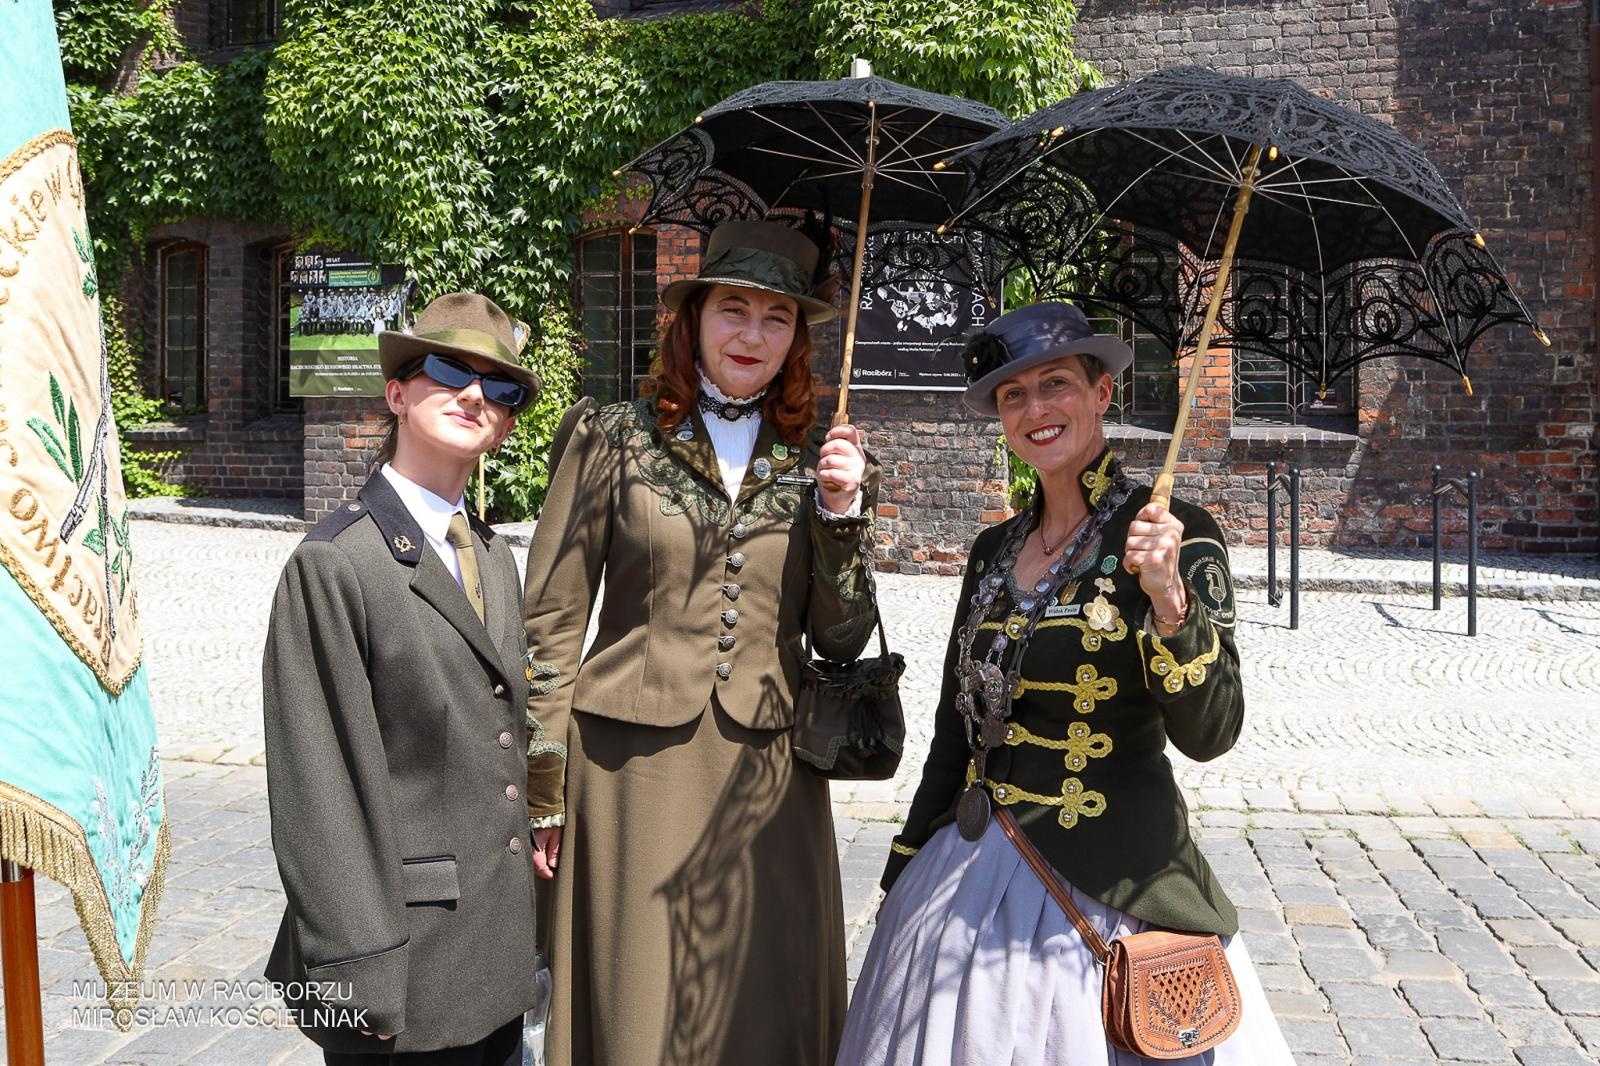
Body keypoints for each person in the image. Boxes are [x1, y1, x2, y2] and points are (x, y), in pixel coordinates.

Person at [838, 302, 1295, 1065]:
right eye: (1014, 395)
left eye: (1056, 385)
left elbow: (1212, 733)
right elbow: (954, 731)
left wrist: (1170, 602)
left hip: (1112, 883)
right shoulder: (992, 549)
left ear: (1101, 392)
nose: (1035, 409)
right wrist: (905, 863)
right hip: (968, 869)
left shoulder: (1176, 533)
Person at [522, 219, 880, 1066]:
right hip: (629, 772)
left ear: (797, 338)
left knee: (762, 1004)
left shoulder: (819, 455)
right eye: (733, 310)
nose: (752, 334)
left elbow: (841, 638)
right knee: (637, 999)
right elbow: (551, 618)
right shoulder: (613, 437)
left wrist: (840, 515)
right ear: (694, 319)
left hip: (770, 780)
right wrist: (544, 786)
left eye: (776, 317)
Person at [263, 292, 543, 1064]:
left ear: (506, 423)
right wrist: (358, 979)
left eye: (500, 387)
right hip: (402, 969)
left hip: (494, 956)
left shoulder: (492, 556)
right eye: (450, 371)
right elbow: (318, 790)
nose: (475, 395)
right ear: (396, 393)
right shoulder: (337, 564)